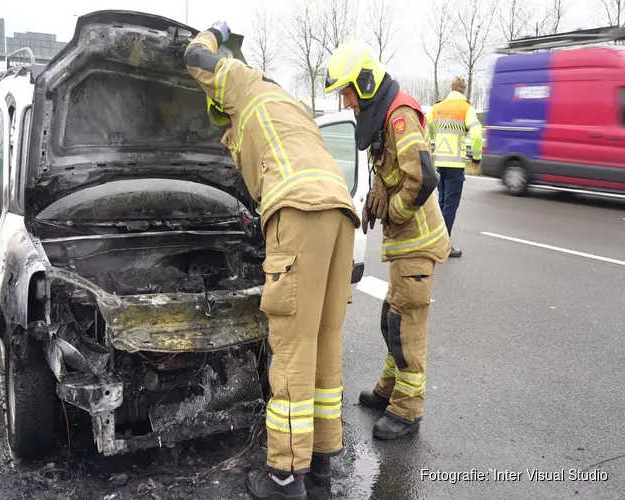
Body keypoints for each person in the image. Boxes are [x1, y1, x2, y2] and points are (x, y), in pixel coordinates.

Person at [184, 21, 360, 500]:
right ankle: (321, 464)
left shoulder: (242, 83)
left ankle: (283, 476)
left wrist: (213, 32)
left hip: (299, 212)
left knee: (293, 345)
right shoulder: (288, 106)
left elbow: (195, 58)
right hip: (340, 214)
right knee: (324, 340)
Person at [323, 40, 450, 440]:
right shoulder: (386, 119)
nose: (346, 104)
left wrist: (392, 214)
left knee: (406, 327)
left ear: (363, 84)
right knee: (390, 320)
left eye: (347, 93)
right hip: (405, 245)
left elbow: (423, 178)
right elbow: (391, 173)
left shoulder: (400, 118)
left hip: (418, 243)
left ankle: (407, 411)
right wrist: (373, 205)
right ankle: (388, 389)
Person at [426, 76, 484, 258]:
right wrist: (476, 158)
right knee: (450, 207)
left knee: (442, 204)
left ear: (451, 88)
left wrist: (428, 152)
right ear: (463, 89)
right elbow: (476, 135)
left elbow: (423, 128)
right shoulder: (466, 108)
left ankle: (435, 242)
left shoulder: (437, 107)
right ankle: (444, 246)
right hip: (455, 165)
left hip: (439, 164)